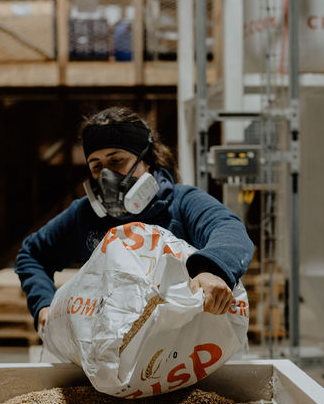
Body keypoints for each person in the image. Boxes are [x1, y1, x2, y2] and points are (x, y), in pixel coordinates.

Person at [16, 106, 255, 331]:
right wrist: (44, 305)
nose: (107, 176)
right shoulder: (85, 215)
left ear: (146, 160)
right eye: (96, 166)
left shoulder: (182, 204)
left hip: (183, 349)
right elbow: (32, 254)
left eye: (117, 160)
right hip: (108, 352)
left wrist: (210, 270)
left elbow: (229, 230)